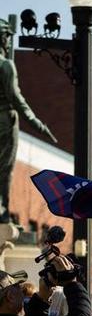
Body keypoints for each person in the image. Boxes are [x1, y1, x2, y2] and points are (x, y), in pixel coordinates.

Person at [0, 19, 58, 223]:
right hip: (5, 123)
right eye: (6, 37)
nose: (8, 41)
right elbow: (17, 100)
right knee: (4, 169)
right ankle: (3, 210)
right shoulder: (6, 66)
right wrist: (37, 124)